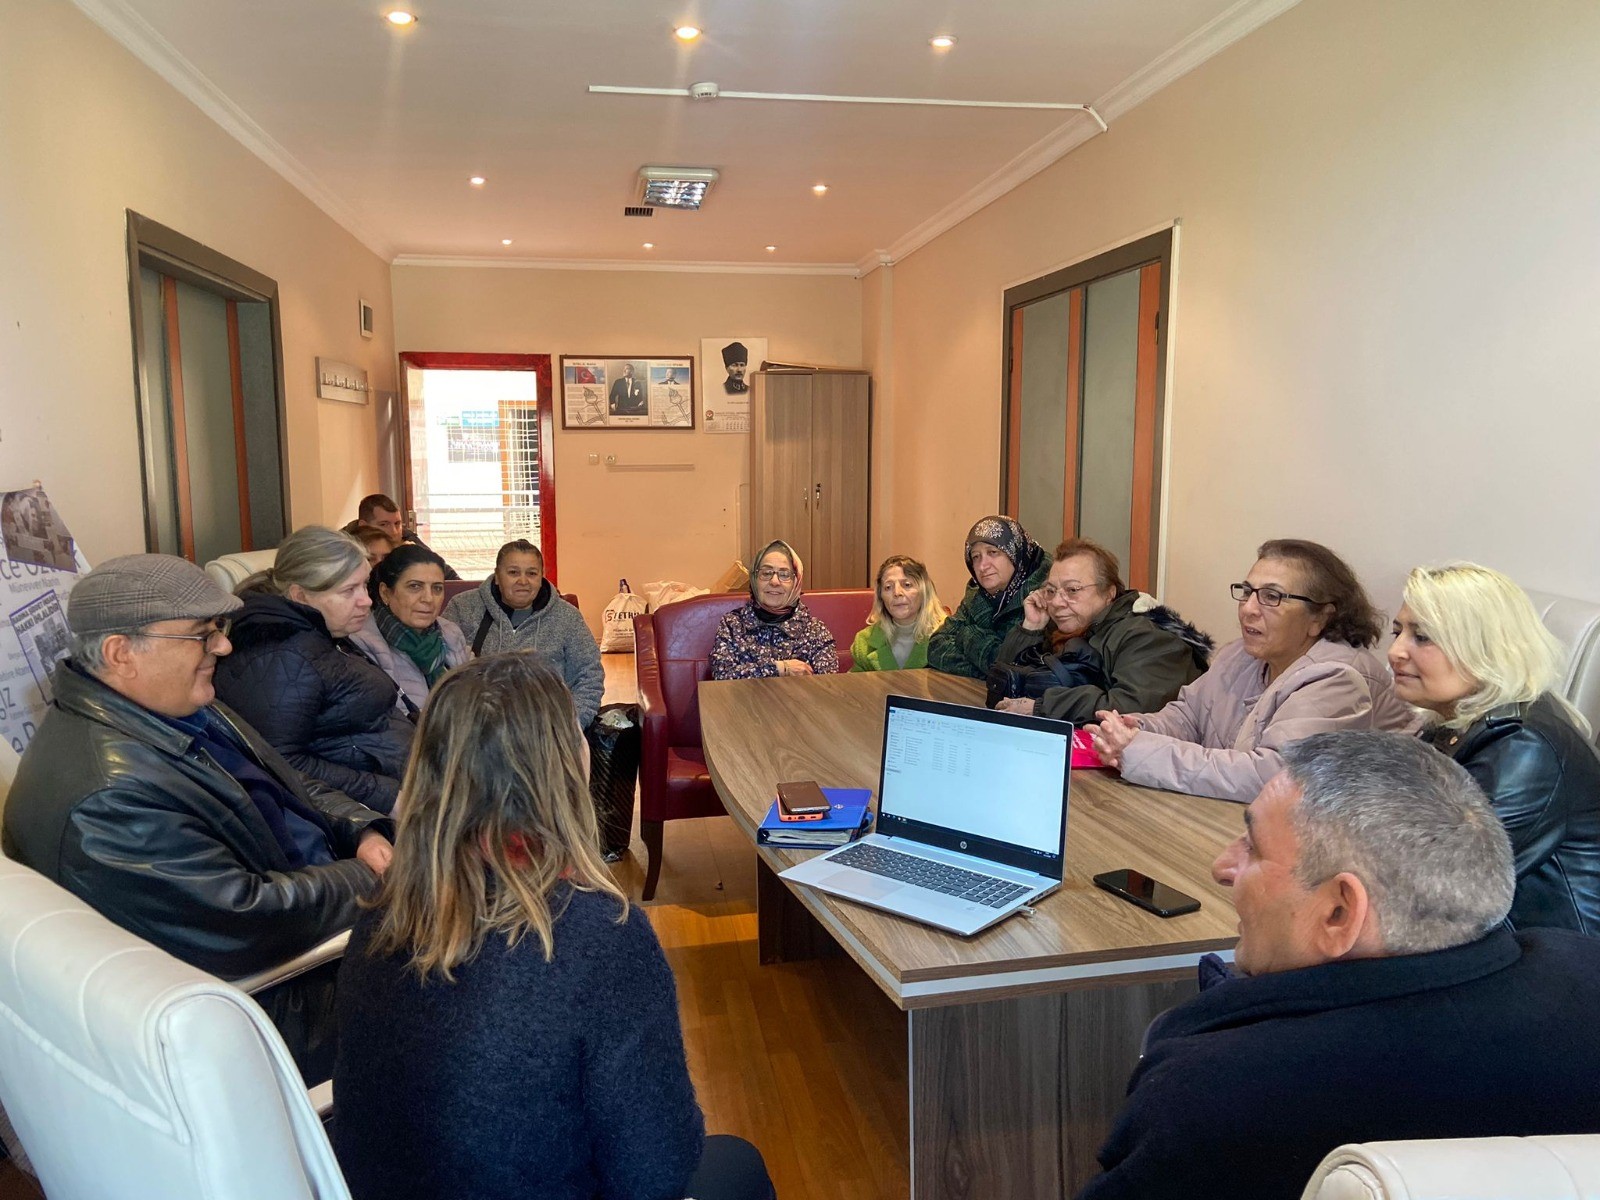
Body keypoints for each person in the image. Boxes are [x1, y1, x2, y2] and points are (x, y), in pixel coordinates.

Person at [1080, 731, 1600, 1200]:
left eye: (1252, 847)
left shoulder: (1212, 1095)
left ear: (1338, 913)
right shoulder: (1583, 974)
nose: (1223, 867)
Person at [332, 654, 776, 1200]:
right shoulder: (596, 936)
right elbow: (657, 1171)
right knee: (737, 1166)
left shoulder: (381, 912)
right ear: (563, 767)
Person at [2, 555, 393, 1083]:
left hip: (321, 905)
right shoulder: (110, 796)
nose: (224, 647)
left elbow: (289, 785)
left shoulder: (175, 705)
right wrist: (374, 877)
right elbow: (244, 916)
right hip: (283, 996)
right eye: (202, 634)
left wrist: (361, 829)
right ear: (121, 653)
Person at [1088, 539, 1414, 802]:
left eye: (1271, 596)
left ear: (1320, 617)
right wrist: (1136, 728)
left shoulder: (1340, 677)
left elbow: (1272, 777)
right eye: (1247, 592)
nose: (1248, 609)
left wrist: (1139, 750)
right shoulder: (1240, 655)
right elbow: (1189, 716)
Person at [1391, 562, 1600, 934]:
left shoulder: (1526, 747)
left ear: (1483, 648)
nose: (1395, 651)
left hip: (1554, 953)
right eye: (1398, 632)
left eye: (1421, 637)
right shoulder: (1449, 724)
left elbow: (1438, 882)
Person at [213, 527, 415, 814]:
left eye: (364, 585)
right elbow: (280, 762)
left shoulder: (316, 632)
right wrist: (387, 796)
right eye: (349, 591)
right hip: (377, 810)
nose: (367, 601)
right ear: (300, 596)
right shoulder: (282, 654)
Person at [993, 538, 1211, 722]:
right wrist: (1031, 627)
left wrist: (1042, 707)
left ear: (1109, 593)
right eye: (1051, 590)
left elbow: (1130, 708)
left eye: (1072, 590)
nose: (1057, 602)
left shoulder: (1147, 637)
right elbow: (1002, 683)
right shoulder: (1065, 628)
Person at [442, 538, 604, 727]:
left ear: (541, 577)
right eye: (513, 572)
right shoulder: (462, 608)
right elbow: (439, 671)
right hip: (475, 727)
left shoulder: (567, 617)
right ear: (497, 576)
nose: (523, 581)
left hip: (547, 730)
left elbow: (589, 676)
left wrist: (568, 726)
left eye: (532, 573)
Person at [926, 515, 1051, 679]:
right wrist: (990, 671)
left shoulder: (1044, 595)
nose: (983, 566)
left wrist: (968, 635)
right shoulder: (976, 594)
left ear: (1015, 553)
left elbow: (1018, 665)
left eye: (993, 552)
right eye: (976, 557)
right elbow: (936, 647)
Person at [352, 543, 470, 714]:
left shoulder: (451, 633)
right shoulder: (360, 644)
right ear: (385, 593)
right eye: (415, 586)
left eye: (437, 588)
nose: (428, 598)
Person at [709, 539, 838, 679]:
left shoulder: (815, 630)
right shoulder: (732, 624)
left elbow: (828, 685)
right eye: (766, 573)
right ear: (754, 579)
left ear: (796, 582)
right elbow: (722, 676)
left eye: (784, 574)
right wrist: (780, 668)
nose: (774, 582)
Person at [849, 554, 946, 671]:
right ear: (881, 597)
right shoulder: (864, 641)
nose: (897, 593)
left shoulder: (947, 636)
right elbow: (854, 682)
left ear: (924, 592)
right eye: (888, 587)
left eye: (907, 585)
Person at [343, 493, 459, 579]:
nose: (394, 531)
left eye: (397, 524)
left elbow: (450, 577)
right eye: (384, 524)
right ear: (363, 526)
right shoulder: (342, 548)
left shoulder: (407, 538)